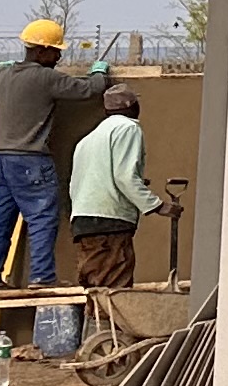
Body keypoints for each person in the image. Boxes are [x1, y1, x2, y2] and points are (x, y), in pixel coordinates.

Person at [0, 18, 109, 357]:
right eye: (56, 52)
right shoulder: (47, 79)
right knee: (43, 217)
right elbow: (89, 90)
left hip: (2, 160)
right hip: (31, 160)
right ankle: (42, 276)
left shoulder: (1, 76)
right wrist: (100, 72)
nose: (59, 57)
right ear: (42, 50)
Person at [66, 82, 163, 287]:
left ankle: (96, 311)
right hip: (110, 220)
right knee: (115, 289)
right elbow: (124, 177)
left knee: (95, 286)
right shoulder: (128, 128)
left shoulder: (88, 139)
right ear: (132, 106)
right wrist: (157, 205)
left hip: (84, 220)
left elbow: (80, 182)